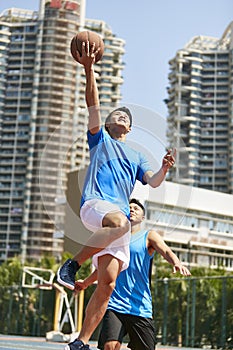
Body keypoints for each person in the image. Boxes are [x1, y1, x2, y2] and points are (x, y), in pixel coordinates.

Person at [57, 40, 176, 350]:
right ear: (108, 124)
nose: (121, 116)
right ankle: (72, 264)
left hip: (116, 221)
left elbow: (153, 182)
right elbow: (92, 103)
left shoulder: (136, 156)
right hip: (98, 204)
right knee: (122, 223)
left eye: (127, 117)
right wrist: (88, 69)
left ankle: (80, 341)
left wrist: (164, 167)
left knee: (108, 284)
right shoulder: (99, 141)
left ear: (130, 128)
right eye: (117, 115)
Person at [74, 198, 191, 350]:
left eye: (136, 208)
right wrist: (86, 282)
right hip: (114, 304)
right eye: (129, 207)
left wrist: (176, 262)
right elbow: (106, 269)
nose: (132, 209)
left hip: (140, 307)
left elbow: (166, 250)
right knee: (110, 346)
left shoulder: (148, 235)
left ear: (142, 217)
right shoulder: (114, 238)